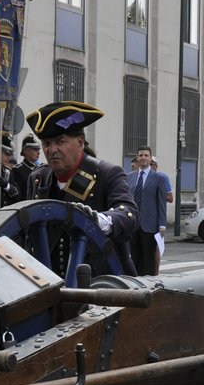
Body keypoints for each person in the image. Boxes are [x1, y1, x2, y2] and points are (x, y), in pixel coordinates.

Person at [23, 101, 138, 277]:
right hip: (50, 282)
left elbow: (129, 214)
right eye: (46, 143)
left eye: (60, 141)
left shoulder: (107, 173)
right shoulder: (38, 178)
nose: (52, 150)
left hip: (99, 283)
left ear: (80, 142)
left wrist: (100, 220)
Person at [128, 146, 170, 275]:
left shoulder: (159, 178)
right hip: (133, 224)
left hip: (150, 225)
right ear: (137, 158)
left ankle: (148, 285)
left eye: (146, 155)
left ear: (151, 158)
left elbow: (162, 203)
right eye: (140, 155)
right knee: (133, 257)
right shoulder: (129, 177)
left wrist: (162, 224)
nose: (143, 158)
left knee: (148, 258)